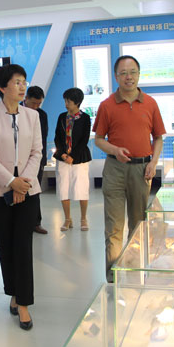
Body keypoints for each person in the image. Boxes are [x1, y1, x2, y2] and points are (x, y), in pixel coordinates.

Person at [0, 64, 42, 331]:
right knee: (5, 244)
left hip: (28, 189)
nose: (22, 86)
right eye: (17, 82)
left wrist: (22, 183)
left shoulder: (32, 116)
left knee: (23, 245)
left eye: (24, 81)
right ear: (2, 87)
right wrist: (10, 182)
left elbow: (37, 152)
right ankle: (13, 292)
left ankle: (23, 302)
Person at [93, 55, 166, 282]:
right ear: (116, 76)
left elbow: (158, 138)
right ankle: (113, 276)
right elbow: (98, 139)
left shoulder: (150, 103)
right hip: (115, 169)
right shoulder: (107, 105)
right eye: (123, 73)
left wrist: (153, 163)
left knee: (138, 224)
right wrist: (115, 150)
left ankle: (135, 271)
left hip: (142, 169)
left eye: (133, 72)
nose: (129, 77)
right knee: (114, 226)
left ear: (139, 74)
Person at [53, 87, 92, 232]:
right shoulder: (62, 117)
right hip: (62, 158)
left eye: (68, 101)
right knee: (63, 188)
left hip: (79, 158)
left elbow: (84, 140)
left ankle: (83, 218)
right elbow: (57, 137)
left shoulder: (85, 118)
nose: (66, 104)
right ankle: (67, 219)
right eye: (65, 101)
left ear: (77, 102)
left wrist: (73, 156)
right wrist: (62, 154)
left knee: (81, 188)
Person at [23, 85, 48, 234]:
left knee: (34, 192)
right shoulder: (16, 112)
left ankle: (35, 223)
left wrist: (41, 160)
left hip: (36, 160)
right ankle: (21, 223)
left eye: (39, 104)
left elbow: (42, 140)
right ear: (26, 98)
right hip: (18, 160)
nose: (36, 107)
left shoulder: (42, 115)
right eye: (33, 103)